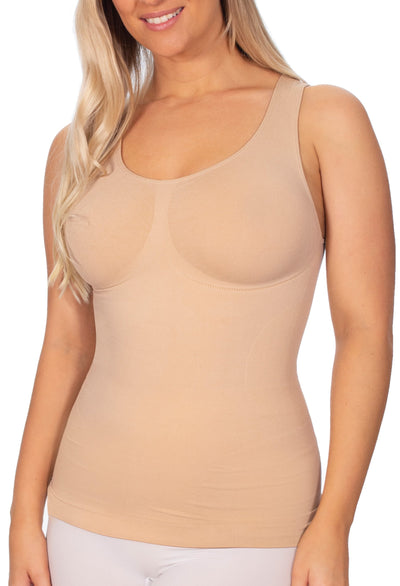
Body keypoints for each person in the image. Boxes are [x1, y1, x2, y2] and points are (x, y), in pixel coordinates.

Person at [8, 1, 395, 585]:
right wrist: (21, 516)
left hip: (255, 529)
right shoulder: (79, 148)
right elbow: (66, 343)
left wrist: (335, 523)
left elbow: (364, 332)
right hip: (83, 523)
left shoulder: (321, 119)